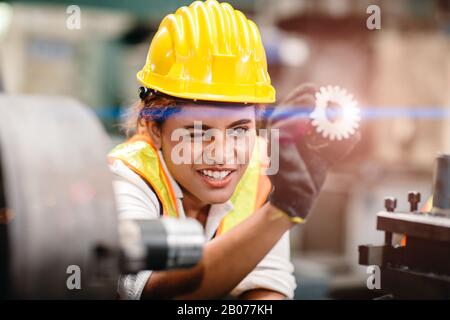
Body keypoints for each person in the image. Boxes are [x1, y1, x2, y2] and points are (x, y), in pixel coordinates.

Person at [108, 0, 358, 300]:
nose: (223, 154)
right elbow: (153, 293)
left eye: (240, 130)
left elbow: (266, 289)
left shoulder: (263, 170)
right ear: (152, 127)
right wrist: (279, 215)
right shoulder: (127, 179)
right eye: (199, 132)